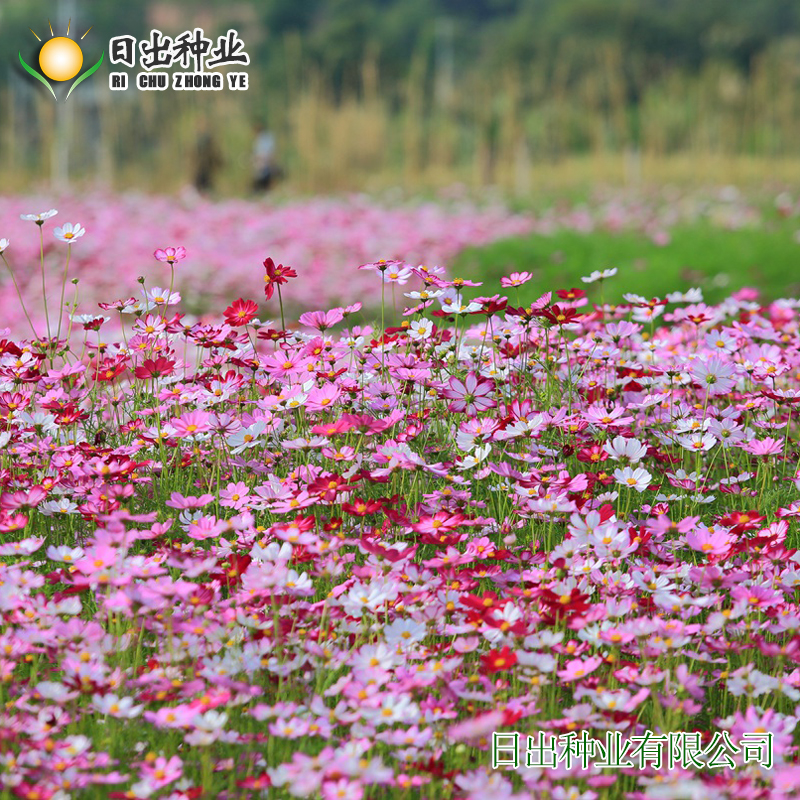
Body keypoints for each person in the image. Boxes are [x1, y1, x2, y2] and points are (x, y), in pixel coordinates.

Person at [193, 119, 223, 194]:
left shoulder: (207, 137)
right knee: (201, 181)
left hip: (205, 163)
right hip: (200, 164)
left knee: (205, 180)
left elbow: (211, 151)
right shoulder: (198, 136)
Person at [252, 121, 279, 192]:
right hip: (264, 162)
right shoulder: (267, 137)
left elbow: (263, 152)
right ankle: (265, 191)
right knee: (264, 178)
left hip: (264, 162)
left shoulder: (262, 139)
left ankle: (264, 191)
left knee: (264, 178)